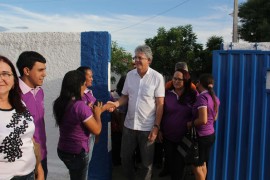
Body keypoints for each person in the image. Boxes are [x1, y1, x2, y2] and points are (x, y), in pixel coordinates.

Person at [106, 45, 165, 180]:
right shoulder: (130, 75)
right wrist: (115, 104)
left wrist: (156, 127)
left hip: (147, 128)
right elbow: (125, 97)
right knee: (124, 158)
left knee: (146, 164)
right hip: (129, 126)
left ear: (149, 60)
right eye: (135, 57)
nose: (136, 60)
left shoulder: (157, 77)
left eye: (140, 58)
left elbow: (160, 104)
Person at [53, 70, 104, 180]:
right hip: (77, 152)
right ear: (78, 86)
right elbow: (97, 130)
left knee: (74, 175)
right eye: (83, 84)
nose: (85, 86)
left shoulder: (59, 102)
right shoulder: (80, 106)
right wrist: (98, 114)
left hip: (62, 149)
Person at [0, 55, 44, 180]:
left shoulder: (20, 104)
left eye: (6, 74)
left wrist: (38, 167)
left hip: (30, 173)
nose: (1, 78)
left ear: (13, 79)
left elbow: (29, 139)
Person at [159, 69, 197, 180]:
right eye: (174, 78)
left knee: (179, 165)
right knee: (170, 161)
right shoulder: (167, 94)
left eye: (179, 79)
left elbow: (200, 110)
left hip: (185, 137)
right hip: (168, 136)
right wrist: (159, 129)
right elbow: (161, 112)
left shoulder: (193, 95)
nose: (175, 81)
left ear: (185, 80)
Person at [16, 51, 48, 178]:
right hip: (23, 160)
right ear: (27, 71)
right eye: (40, 70)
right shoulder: (13, 95)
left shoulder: (40, 92)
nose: (44, 74)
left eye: (44, 70)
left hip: (42, 154)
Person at [187, 74, 220, 180]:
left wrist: (190, 124)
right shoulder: (214, 98)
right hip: (210, 134)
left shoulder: (202, 97)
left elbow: (203, 120)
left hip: (201, 136)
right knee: (203, 163)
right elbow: (214, 118)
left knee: (196, 165)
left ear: (200, 84)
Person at [77, 66, 97, 163]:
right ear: (82, 78)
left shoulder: (89, 92)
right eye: (90, 76)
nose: (92, 79)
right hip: (82, 136)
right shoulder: (77, 95)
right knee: (83, 164)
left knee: (87, 162)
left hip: (91, 133)